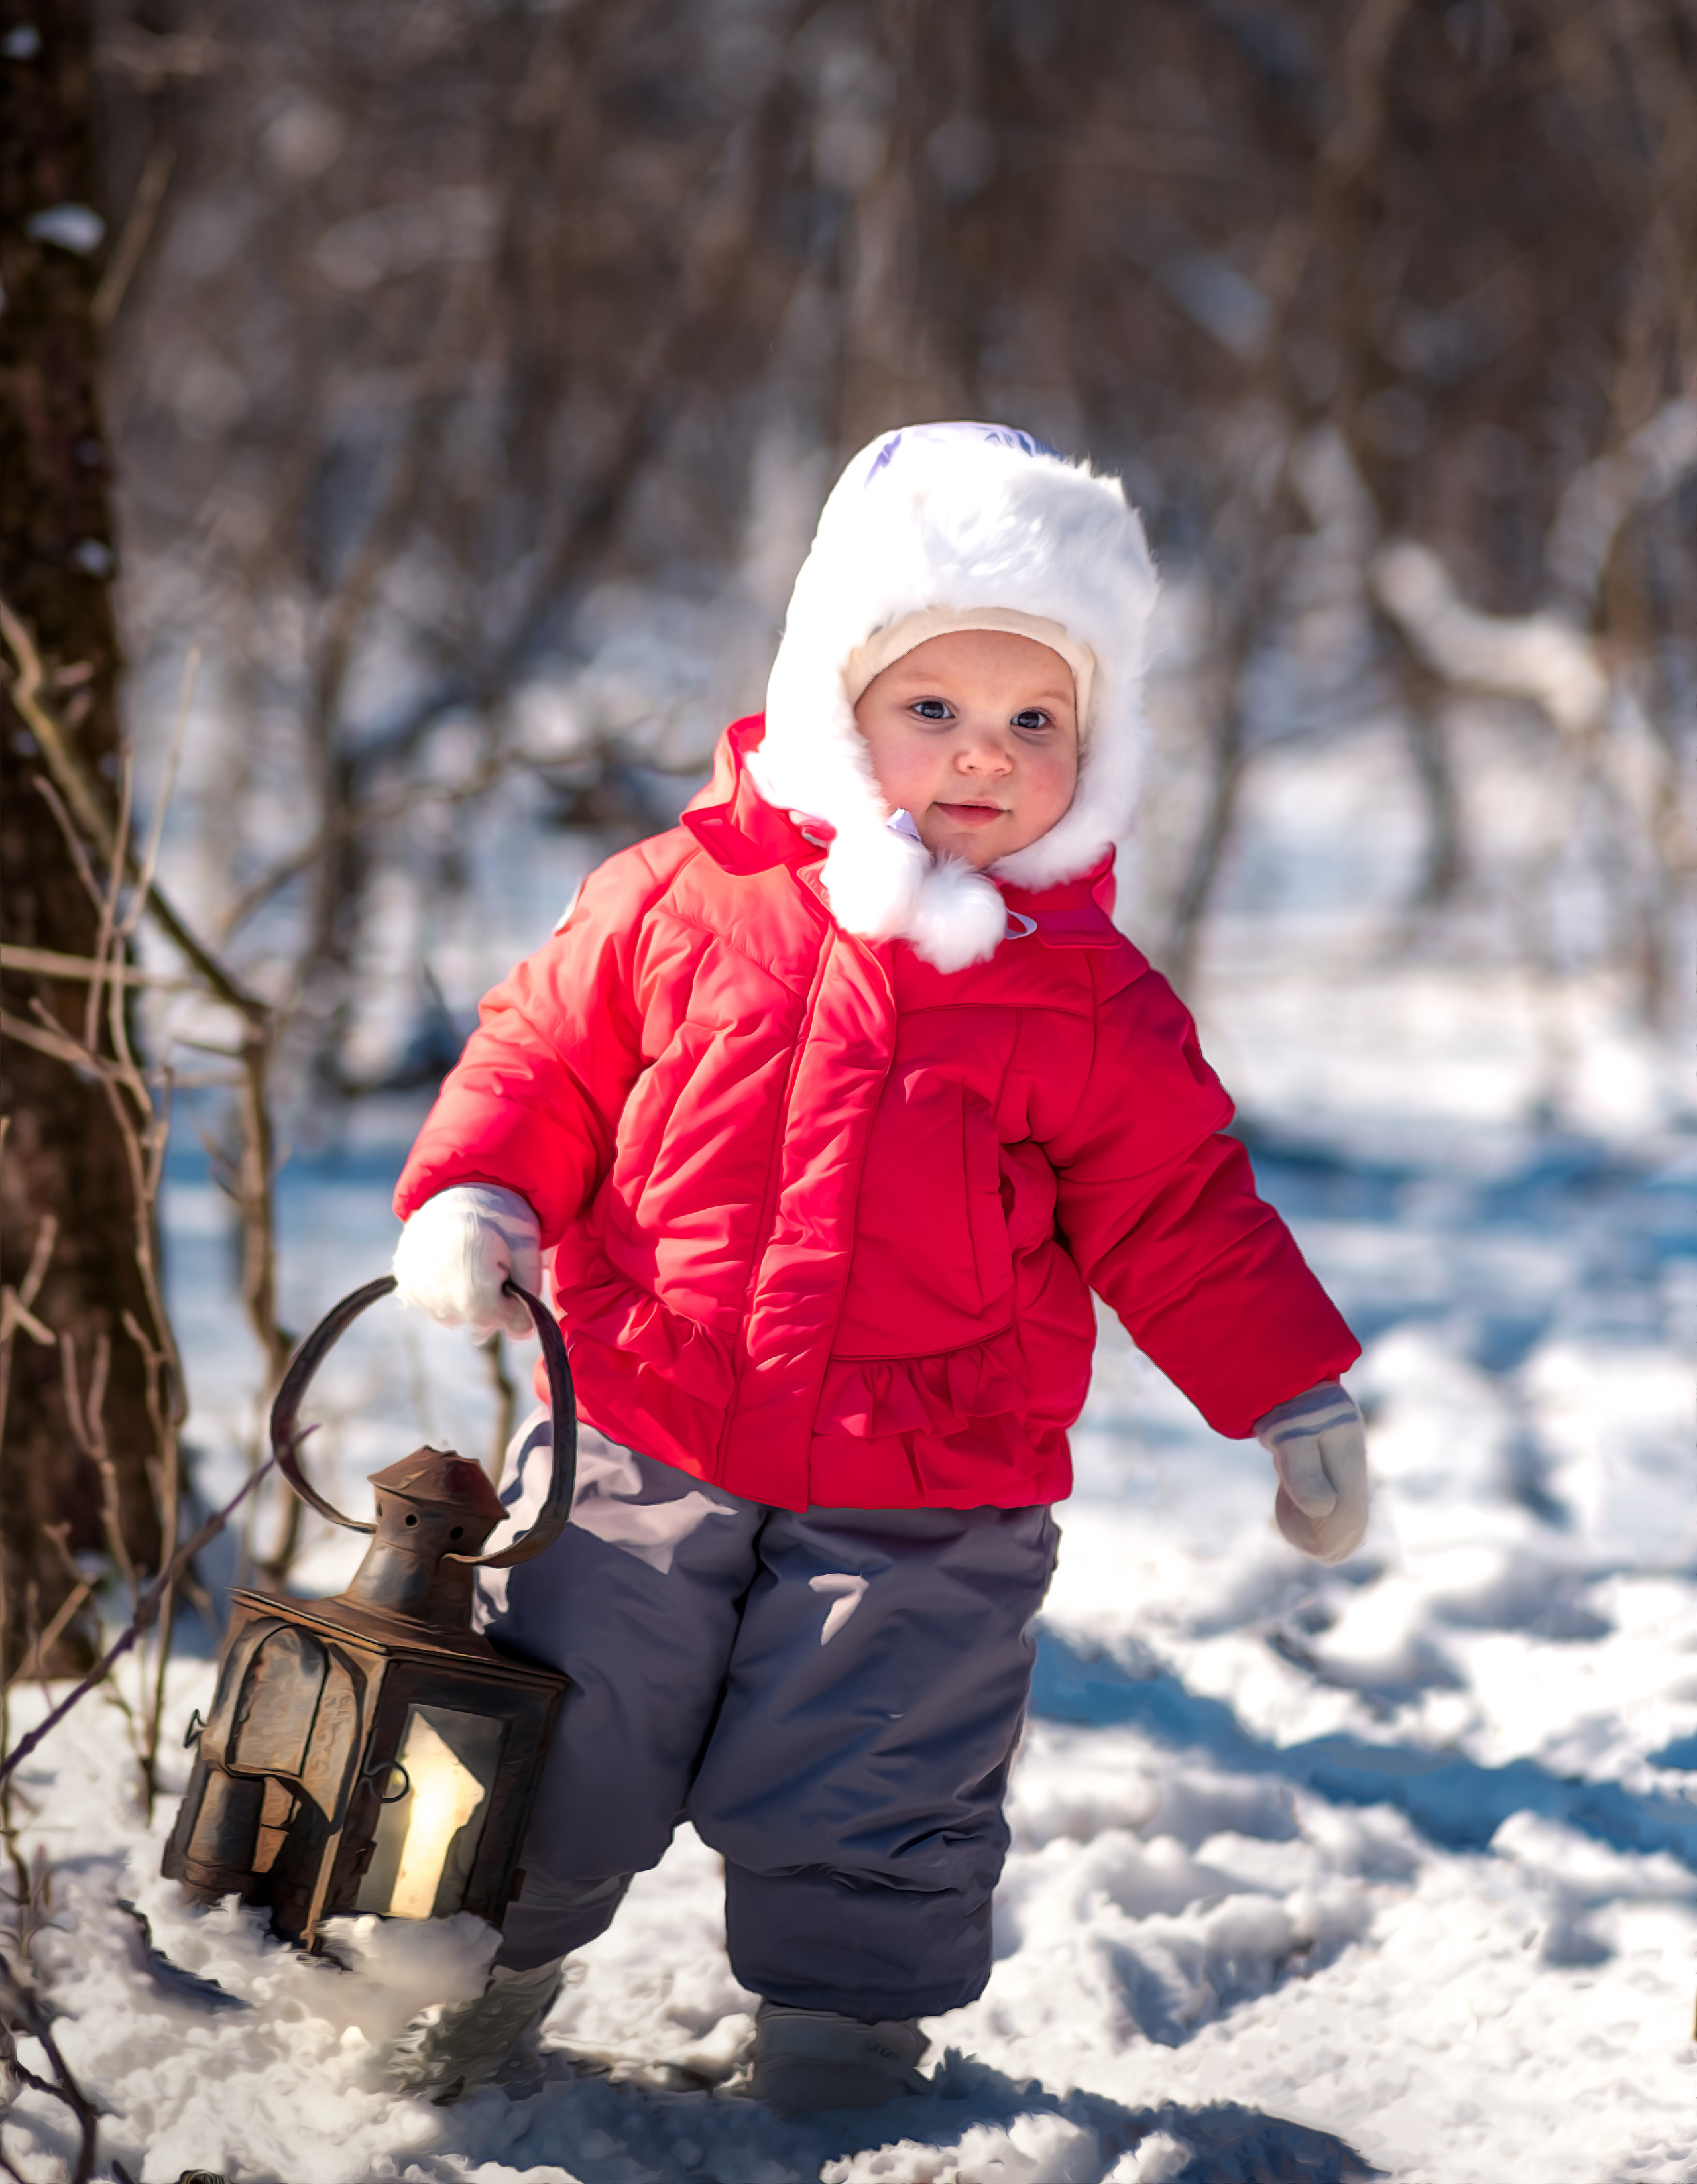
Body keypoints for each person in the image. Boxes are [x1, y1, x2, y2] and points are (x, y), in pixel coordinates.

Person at [381, 423, 1370, 2114]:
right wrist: (479, 1195)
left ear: (1095, 748)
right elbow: (539, 1056)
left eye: (1033, 722)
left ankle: (840, 2057)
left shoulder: (1083, 996)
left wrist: (1290, 1394)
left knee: (878, 1781)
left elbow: (1178, 1206)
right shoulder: (681, 896)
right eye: (934, 709)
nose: (981, 758)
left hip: (930, 1490)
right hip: (642, 1429)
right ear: (834, 701)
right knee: (560, 1725)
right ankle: (457, 1986)